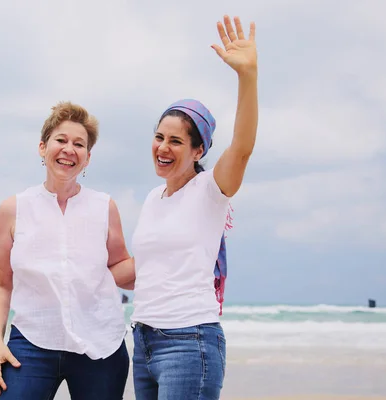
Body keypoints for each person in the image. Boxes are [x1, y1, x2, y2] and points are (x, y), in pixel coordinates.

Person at [118, 15, 259, 399]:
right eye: (159, 137)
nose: (163, 147)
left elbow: (243, 148)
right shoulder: (153, 199)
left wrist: (247, 76)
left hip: (188, 342)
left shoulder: (211, 190)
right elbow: (144, 267)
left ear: (199, 150)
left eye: (176, 142)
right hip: (144, 341)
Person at [0, 102, 132, 399]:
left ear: (87, 158)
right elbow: (0, 282)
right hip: (31, 343)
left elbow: (120, 268)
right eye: (61, 140)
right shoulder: (13, 209)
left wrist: (163, 257)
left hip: (100, 346)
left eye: (79, 144)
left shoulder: (105, 207)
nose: (69, 149)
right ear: (43, 147)